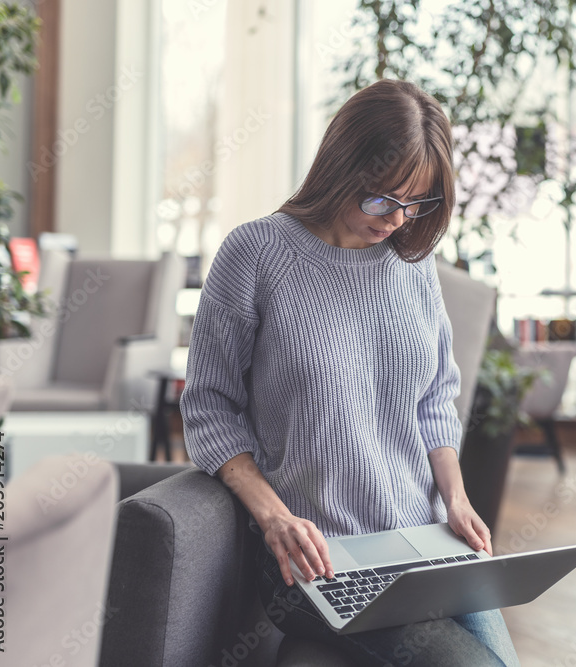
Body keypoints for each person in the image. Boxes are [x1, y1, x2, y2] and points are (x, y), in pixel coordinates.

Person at [179, 79, 520, 666]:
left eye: (417, 204)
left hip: (421, 544)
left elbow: (435, 398)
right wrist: (276, 518)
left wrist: (456, 500)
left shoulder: (412, 265)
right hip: (318, 562)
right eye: (382, 199)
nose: (396, 220)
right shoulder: (255, 255)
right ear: (341, 169)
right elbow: (210, 409)